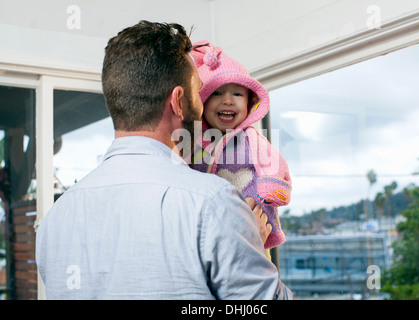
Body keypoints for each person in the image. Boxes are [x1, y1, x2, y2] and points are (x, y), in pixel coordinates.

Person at [35, 21, 292, 300]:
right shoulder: (213, 203)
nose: (205, 102)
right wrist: (246, 244)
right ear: (178, 101)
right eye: (199, 91)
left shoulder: (55, 219)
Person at [189, 41, 292, 251]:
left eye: (237, 94)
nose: (227, 101)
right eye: (217, 93)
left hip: (255, 223)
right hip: (210, 230)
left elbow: (274, 163)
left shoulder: (252, 139)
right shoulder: (195, 142)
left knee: (258, 272)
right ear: (202, 101)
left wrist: (272, 189)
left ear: (250, 103)